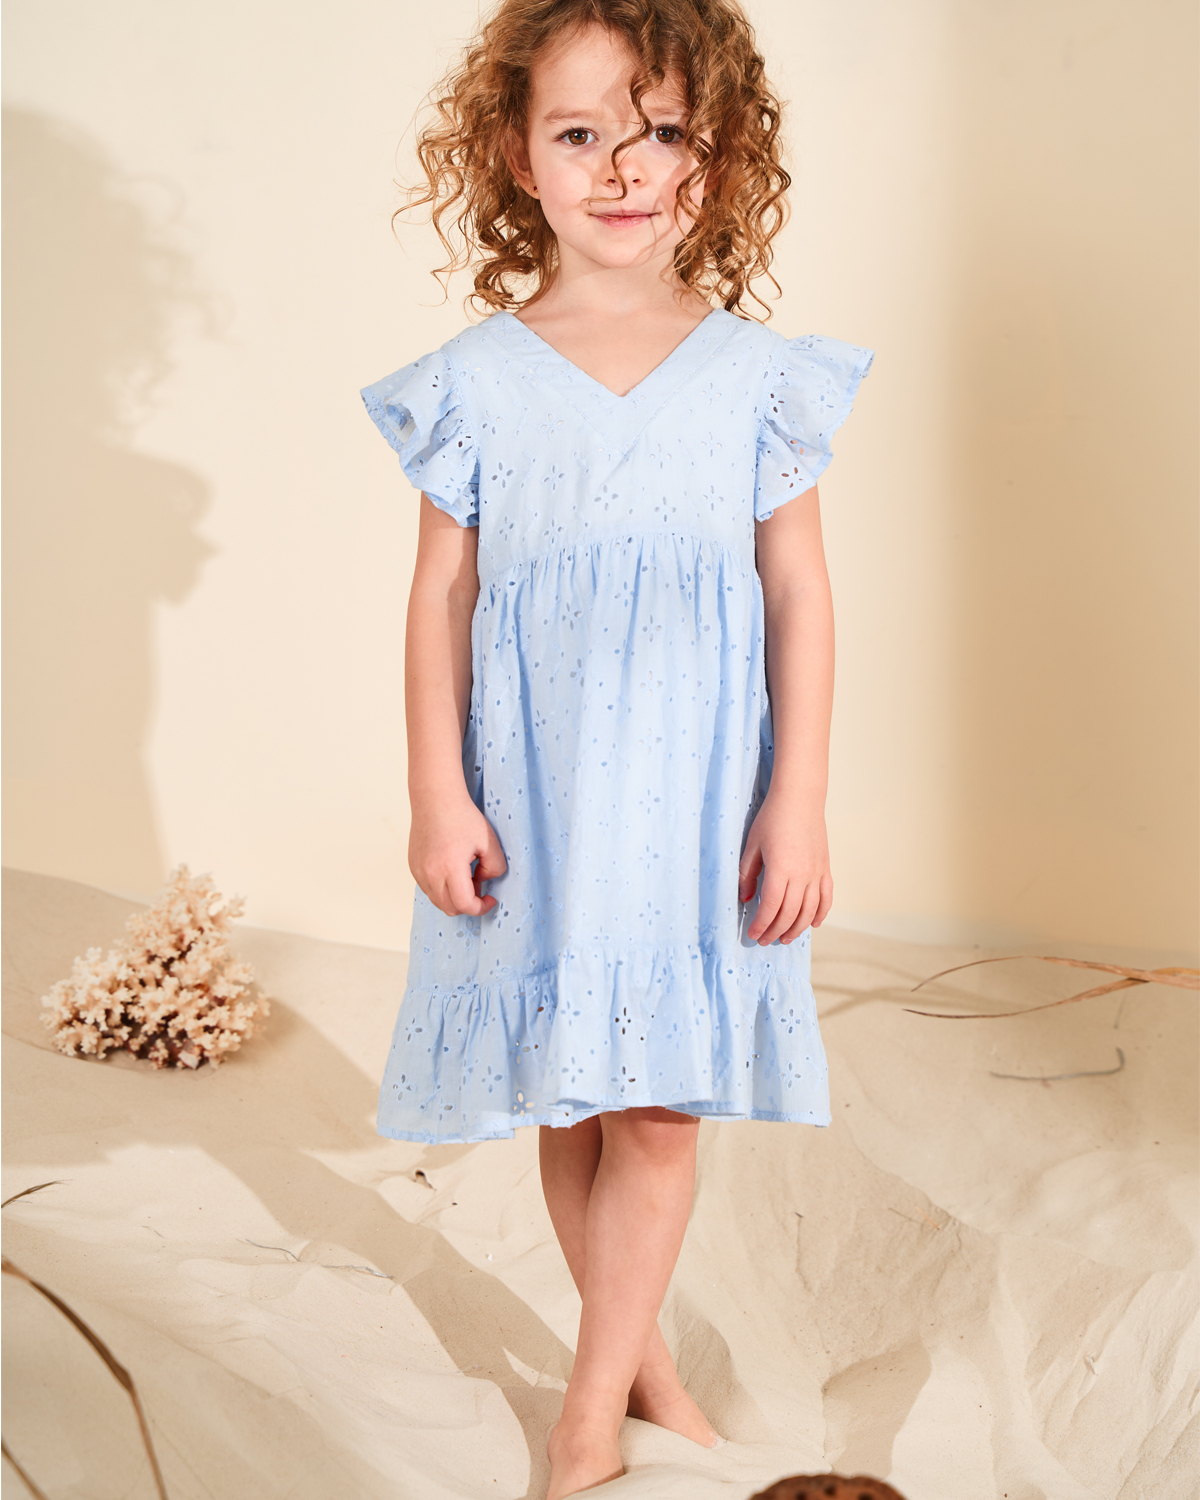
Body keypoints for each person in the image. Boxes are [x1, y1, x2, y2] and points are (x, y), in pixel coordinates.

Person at [360, 2, 873, 1494]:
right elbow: (440, 596)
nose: (621, 169)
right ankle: (642, 1366)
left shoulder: (760, 379)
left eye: (660, 134)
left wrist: (798, 796)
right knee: (578, 1088)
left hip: (699, 795)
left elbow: (800, 591)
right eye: (580, 133)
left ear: (716, 160)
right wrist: (437, 789)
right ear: (517, 155)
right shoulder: (474, 380)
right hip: (542, 790)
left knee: (658, 1104)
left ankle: (588, 1416)